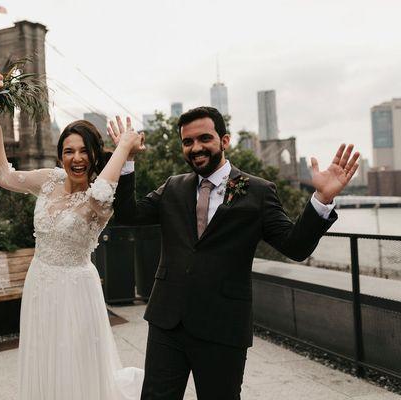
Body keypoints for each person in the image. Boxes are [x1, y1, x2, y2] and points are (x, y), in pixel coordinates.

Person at [109, 107, 359, 400]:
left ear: (224, 140)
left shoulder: (258, 192)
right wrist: (126, 160)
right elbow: (128, 215)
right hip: (168, 320)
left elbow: (296, 246)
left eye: (205, 138)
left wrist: (322, 198)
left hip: (223, 325)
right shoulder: (173, 187)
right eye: (188, 142)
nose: (196, 148)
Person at [0, 114, 145, 400]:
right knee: (43, 357)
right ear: (60, 157)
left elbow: (101, 192)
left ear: (96, 155)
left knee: (75, 363)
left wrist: (123, 147)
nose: (77, 158)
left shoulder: (100, 200)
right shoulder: (49, 180)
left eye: (85, 150)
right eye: (69, 151)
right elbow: (2, 175)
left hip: (76, 291)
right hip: (39, 286)